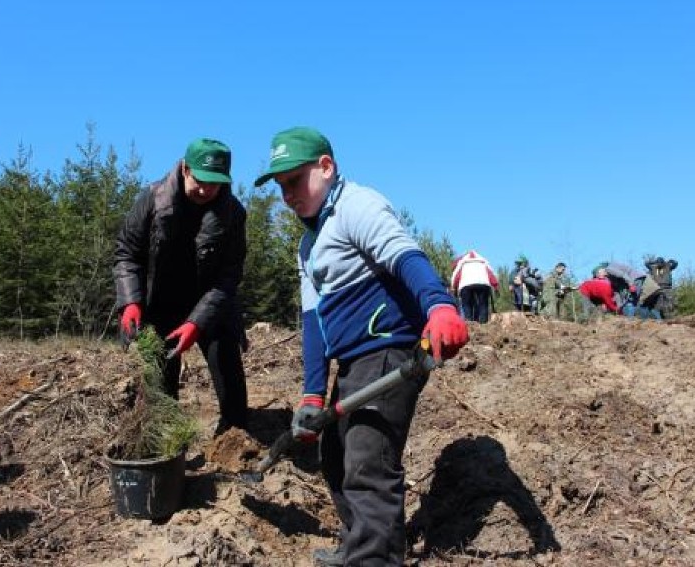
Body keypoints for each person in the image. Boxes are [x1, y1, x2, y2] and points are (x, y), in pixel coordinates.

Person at [254, 126, 469, 566]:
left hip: (390, 349)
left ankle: (375, 558)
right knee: (334, 455)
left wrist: (439, 306)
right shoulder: (307, 245)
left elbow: (405, 256)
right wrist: (313, 392)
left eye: (294, 181)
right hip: (353, 362)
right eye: (280, 187)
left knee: (368, 461)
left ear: (326, 168)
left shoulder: (357, 205)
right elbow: (313, 321)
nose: (287, 195)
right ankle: (360, 545)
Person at [114, 138, 249, 433]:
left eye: (214, 183)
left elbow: (228, 277)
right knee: (161, 380)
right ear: (185, 169)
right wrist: (131, 302)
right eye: (200, 180)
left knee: (227, 366)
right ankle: (167, 440)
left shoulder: (233, 214)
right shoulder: (152, 199)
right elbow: (127, 252)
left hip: (211, 303)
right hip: (160, 302)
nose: (206, 190)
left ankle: (237, 438)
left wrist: (196, 324)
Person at [449, 249, 499, 323]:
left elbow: (456, 276)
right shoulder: (483, 262)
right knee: (483, 304)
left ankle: (469, 323)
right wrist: (496, 286)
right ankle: (483, 323)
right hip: (483, 283)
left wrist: (453, 287)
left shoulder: (462, 263)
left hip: (466, 284)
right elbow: (491, 274)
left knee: (467, 304)